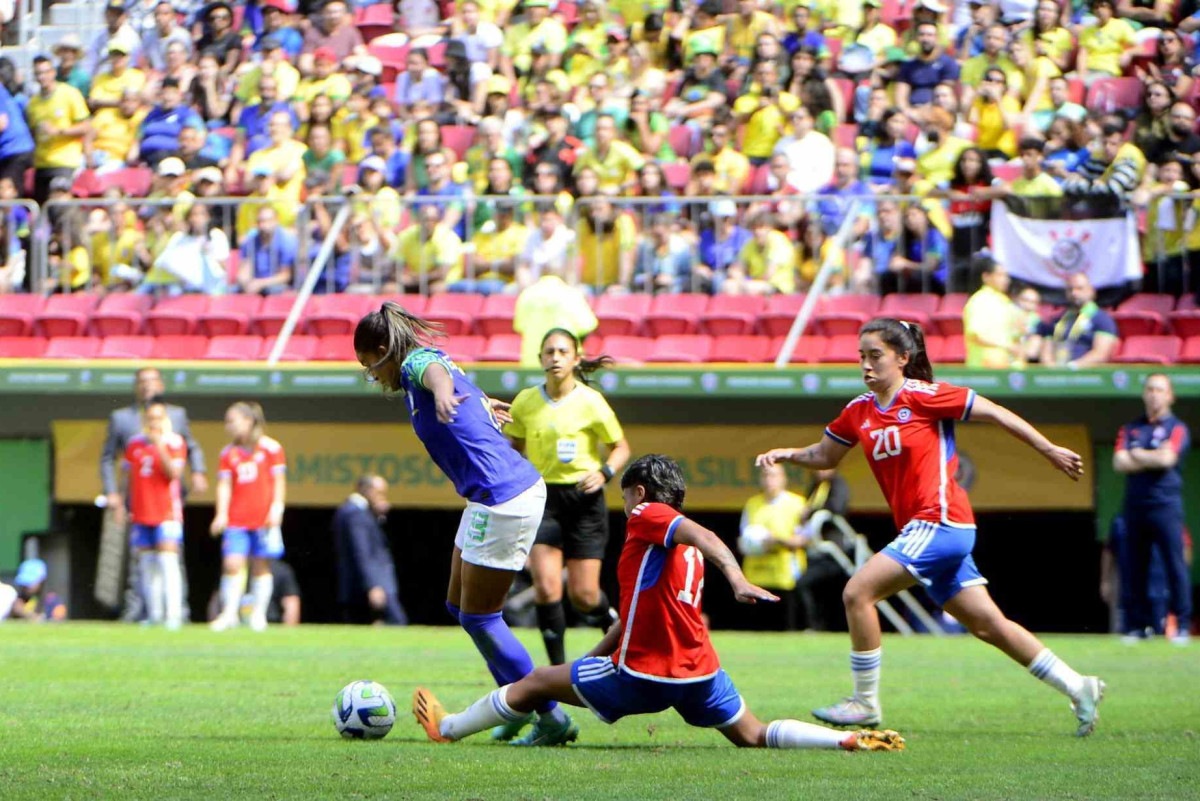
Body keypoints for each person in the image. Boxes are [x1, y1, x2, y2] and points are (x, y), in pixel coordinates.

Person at [413, 454, 905, 754]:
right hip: (700, 672)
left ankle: (448, 728)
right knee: (753, 735)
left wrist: (735, 576)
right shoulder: (675, 547)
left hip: (646, 672)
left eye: (625, 496)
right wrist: (590, 660)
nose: (625, 507)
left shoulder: (651, 516)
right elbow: (630, 618)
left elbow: (709, 536)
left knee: (536, 682)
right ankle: (846, 740)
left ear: (641, 493)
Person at [755, 318, 1105, 736]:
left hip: (940, 521)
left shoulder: (925, 396)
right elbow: (826, 454)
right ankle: (1078, 686)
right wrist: (788, 454)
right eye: (861, 357)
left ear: (903, 358)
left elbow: (994, 412)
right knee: (988, 625)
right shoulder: (859, 410)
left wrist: (1048, 448)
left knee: (857, 592)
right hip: (931, 531)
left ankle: (865, 702)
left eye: (876, 356)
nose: (866, 366)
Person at [355, 302, 579, 747]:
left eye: (368, 366)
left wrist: (441, 394)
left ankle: (550, 717)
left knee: (481, 616)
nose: (372, 376)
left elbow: (434, 371)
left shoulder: (418, 362)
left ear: (383, 350)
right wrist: (479, 405)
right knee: (461, 608)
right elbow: (454, 382)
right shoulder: (420, 374)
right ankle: (515, 706)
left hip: (504, 497)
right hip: (487, 499)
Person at [503, 329, 630, 681]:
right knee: (545, 586)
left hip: (584, 500)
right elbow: (512, 448)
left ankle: (617, 630)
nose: (555, 357)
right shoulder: (526, 402)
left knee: (585, 595)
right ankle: (557, 670)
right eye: (549, 352)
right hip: (544, 499)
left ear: (576, 358)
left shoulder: (591, 401)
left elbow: (620, 447)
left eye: (562, 351)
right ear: (540, 358)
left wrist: (604, 473)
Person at [100, 367, 206, 621]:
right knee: (142, 562)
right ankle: (144, 612)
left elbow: (191, 447)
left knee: (170, 558)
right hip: (139, 502)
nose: (147, 386)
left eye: (152, 381)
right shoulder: (123, 419)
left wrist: (199, 471)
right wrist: (113, 493)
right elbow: (110, 458)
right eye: (142, 382)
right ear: (135, 385)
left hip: (168, 501)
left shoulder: (177, 416)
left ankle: (177, 613)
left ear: (161, 384)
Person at [1113, 374, 1191, 645]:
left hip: (1166, 506)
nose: (1154, 394)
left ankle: (1181, 625)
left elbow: (1168, 458)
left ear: (1170, 396)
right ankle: (1136, 626)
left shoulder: (1177, 428)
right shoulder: (1131, 428)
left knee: (1174, 565)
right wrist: (1152, 456)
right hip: (1135, 506)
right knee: (1134, 567)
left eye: (1160, 390)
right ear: (1144, 394)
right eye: (1150, 389)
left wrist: (1138, 454)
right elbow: (1119, 462)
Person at [210, 402, 287, 633]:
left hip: (263, 518)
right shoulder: (228, 453)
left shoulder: (271, 449)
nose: (228, 427)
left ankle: (258, 615)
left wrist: (277, 508)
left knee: (261, 565)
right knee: (232, 563)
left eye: (232, 421)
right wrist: (221, 514)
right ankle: (229, 614)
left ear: (248, 421)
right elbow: (224, 486)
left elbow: (279, 482)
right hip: (237, 519)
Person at [120, 397, 186, 629]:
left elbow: (173, 474)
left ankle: (174, 615)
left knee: (168, 562)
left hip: (167, 512)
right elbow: (128, 479)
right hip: (141, 512)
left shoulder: (174, 442)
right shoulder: (134, 444)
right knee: (147, 566)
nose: (153, 422)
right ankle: (155, 614)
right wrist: (125, 505)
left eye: (158, 417)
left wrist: (159, 445)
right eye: (150, 418)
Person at [738, 463, 808, 631]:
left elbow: (805, 539)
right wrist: (753, 545)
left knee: (786, 628)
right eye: (766, 476)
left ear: (784, 479)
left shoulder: (797, 503)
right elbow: (743, 539)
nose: (770, 480)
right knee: (758, 631)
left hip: (786, 577)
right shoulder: (753, 504)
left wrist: (775, 541)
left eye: (774, 475)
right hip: (757, 576)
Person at [333, 475, 408, 625]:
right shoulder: (355, 514)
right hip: (370, 585)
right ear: (367, 491)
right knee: (396, 621)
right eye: (379, 493)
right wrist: (373, 585)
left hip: (367, 584)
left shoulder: (357, 512)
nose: (382, 498)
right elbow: (362, 552)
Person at [1039, 273, 1120, 368]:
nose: (1074, 293)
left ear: (1091, 291)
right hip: (1055, 374)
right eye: (1070, 289)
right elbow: (1047, 347)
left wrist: (1072, 367)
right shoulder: (1058, 319)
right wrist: (1050, 367)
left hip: (1084, 375)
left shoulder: (1102, 319)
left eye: (1079, 288)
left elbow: (1101, 353)